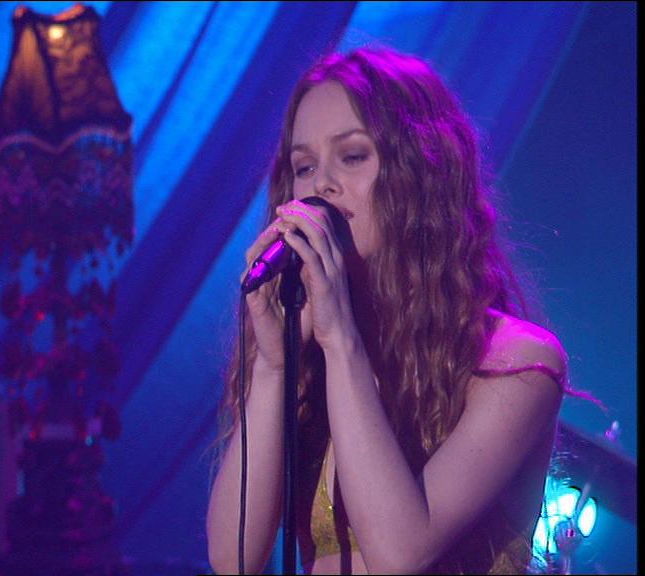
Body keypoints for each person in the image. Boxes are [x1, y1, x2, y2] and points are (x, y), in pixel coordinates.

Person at [206, 46, 571, 575]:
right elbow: (232, 558)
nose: (322, 185)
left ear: (420, 172)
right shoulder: (308, 361)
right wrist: (273, 367)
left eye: (353, 156)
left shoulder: (517, 362)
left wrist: (340, 340)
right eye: (304, 167)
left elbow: (400, 553)